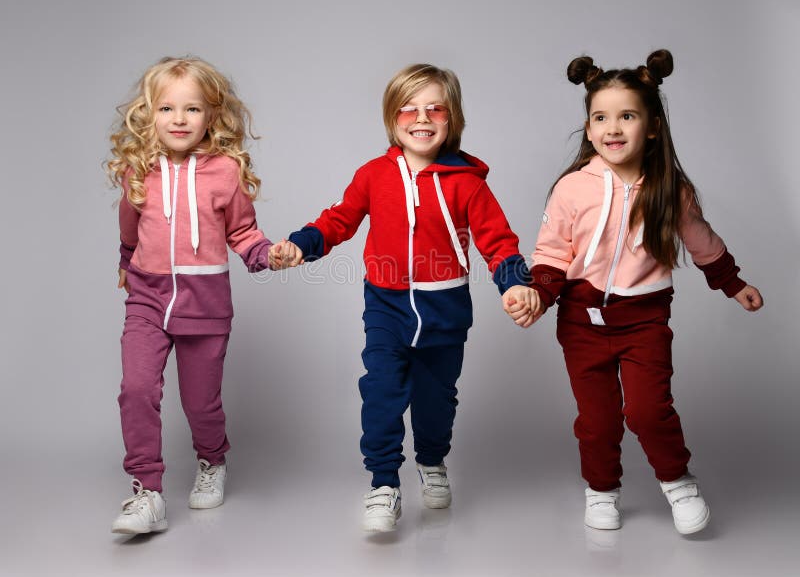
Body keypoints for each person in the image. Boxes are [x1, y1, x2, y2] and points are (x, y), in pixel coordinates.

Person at [271, 63, 536, 532]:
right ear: (391, 118)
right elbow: (339, 220)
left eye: (435, 108)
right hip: (386, 305)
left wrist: (514, 281)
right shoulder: (374, 175)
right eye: (408, 109)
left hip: (446, 309)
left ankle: (432, 461)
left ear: (452, 118)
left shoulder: (468, 183)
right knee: (382, 392)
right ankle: (384, 483)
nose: (421, 118)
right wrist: (303, 243)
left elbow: (497, 241)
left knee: (436, 401)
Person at [516, 49, 763, 535]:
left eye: (626, 116)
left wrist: (734, 284)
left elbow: (702, 240)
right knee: (598, 420)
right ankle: (602, 490)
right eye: (601, 118)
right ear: (588, 129)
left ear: (651, 126)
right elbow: (551, 254)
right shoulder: (571, 188)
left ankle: (678, 482)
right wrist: (539, 297)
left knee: (648, 411)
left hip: (644, 321)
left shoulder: (670, 189)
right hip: (582, 323)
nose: (613, 128)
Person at [105, 56, 274, 534]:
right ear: (148, 115)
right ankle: (146, 493)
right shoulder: (137, 171)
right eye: (166, 109)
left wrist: (266, 255)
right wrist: (125, 264)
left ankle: (212, 459)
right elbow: (130, 230)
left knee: (201, 404)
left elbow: (243, 232)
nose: (179, 119)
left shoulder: (225, 173)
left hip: (206, 305)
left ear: (211, 116)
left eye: (192, 109)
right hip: (147, 298)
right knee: (135, 390)